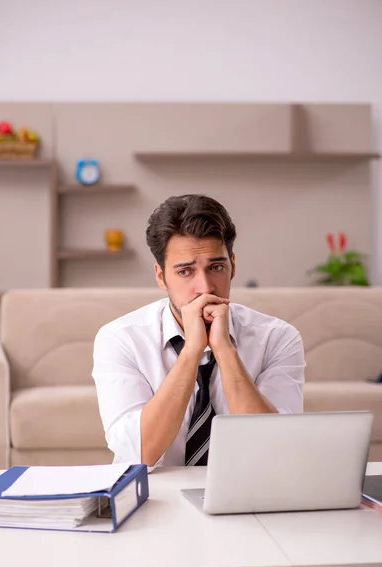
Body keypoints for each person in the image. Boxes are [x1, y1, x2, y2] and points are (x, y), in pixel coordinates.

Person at [92, 194, 305, 468]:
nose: (205, 287)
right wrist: (192, 350)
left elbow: (275, 448)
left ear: (233, 267)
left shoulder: (277, 337)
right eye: (185, 272)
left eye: (216, 267)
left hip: (248, 492)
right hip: (152, 496)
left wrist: (224, 350)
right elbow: (142, 453)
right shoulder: (120, 338)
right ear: (160, 276)